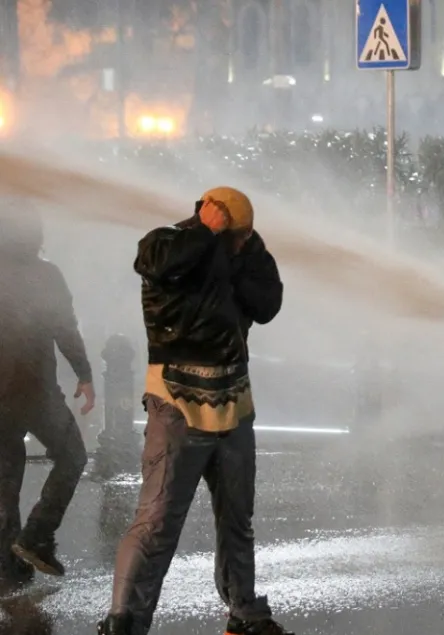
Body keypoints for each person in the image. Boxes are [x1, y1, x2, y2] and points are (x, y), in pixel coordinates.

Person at [98, 188, 290, 635]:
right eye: (237, 235)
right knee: (157, 521)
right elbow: (158, 264)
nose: (244, 242)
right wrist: (207, 234)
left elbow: (268, 304)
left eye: (247, 235)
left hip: (233, 401)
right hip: (177, 404)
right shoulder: (167, 243)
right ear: (209, 220)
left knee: (237, 516)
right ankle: (124, 620)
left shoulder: (243, 252)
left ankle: (245, 610)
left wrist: (236, 256)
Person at [0, 210, 93, 588]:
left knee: (6, 473)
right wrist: (84, 373)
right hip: (34, 388)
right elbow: (64, 327)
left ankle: (8, 564)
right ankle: (37, 535)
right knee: (72, 456)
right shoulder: (45, 275)